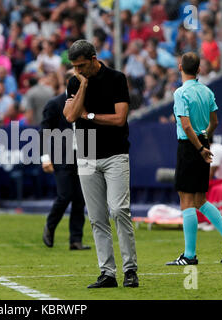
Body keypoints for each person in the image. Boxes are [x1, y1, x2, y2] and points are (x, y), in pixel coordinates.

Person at [63, 40, 138, 288]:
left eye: (82, 65)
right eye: (75, 67)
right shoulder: (75, 82)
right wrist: (83, 84)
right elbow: (72, 116)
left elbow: (119, 118)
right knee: (96, 218)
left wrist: (91, 116)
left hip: (115, 153)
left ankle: (130, 270)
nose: (78, 70)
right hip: (86, 155)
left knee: (118, 210)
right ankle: (107, 273)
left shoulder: (116, 78)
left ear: (94, 58)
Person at [166, 52, 222, 266]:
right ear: (199, 69)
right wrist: (205, 140)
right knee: (200, 199)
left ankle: (189, 255)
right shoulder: (207, 91)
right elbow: (215, 122)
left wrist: (199, 147)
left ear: (180, 66)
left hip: (191, 147)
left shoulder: (181, 93)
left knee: (186, 200)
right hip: (203, 142)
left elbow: (186, 125)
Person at [40, 69, 90, 251]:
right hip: (63, 156)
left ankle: (75, 240)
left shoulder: (89, 103)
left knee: (80, 198)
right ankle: (50, 225)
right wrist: (45, 157)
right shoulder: (54, 104)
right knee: (65, 195)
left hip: (84, 153)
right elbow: (44, 133)